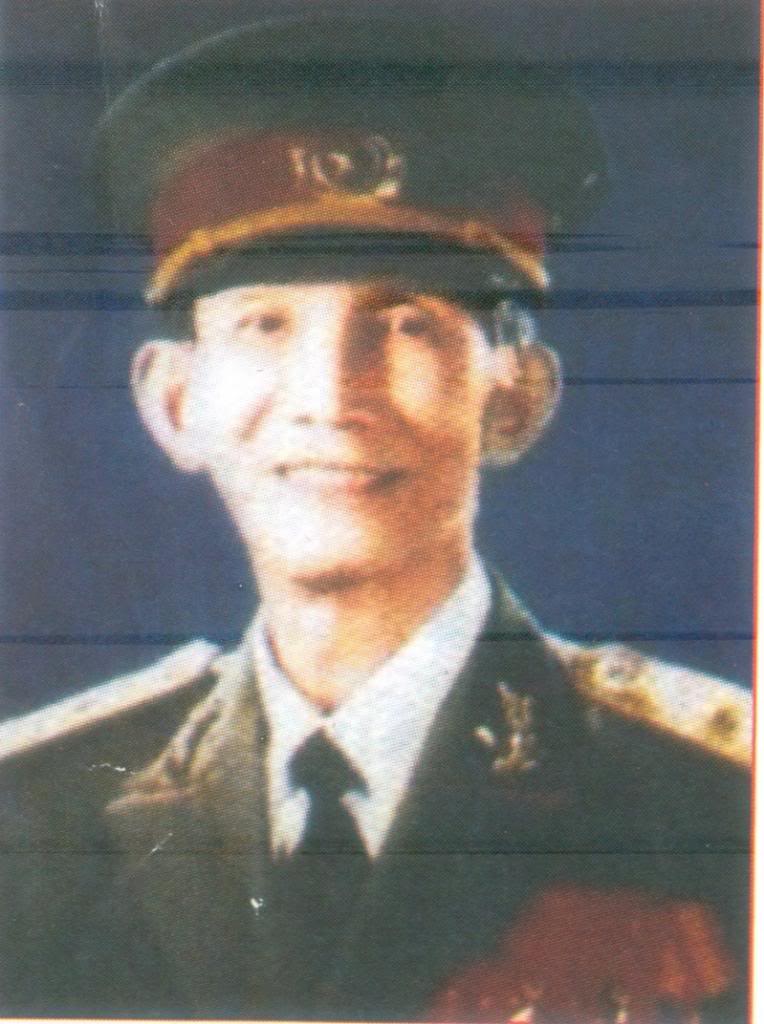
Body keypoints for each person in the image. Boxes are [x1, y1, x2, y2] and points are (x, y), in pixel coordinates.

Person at [0, 15, 751, 1023]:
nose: (331, 398)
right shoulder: (35, 814)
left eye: (404, 324)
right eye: (264, 323)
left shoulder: (711, 799)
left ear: (516, 396)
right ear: (174, 402)